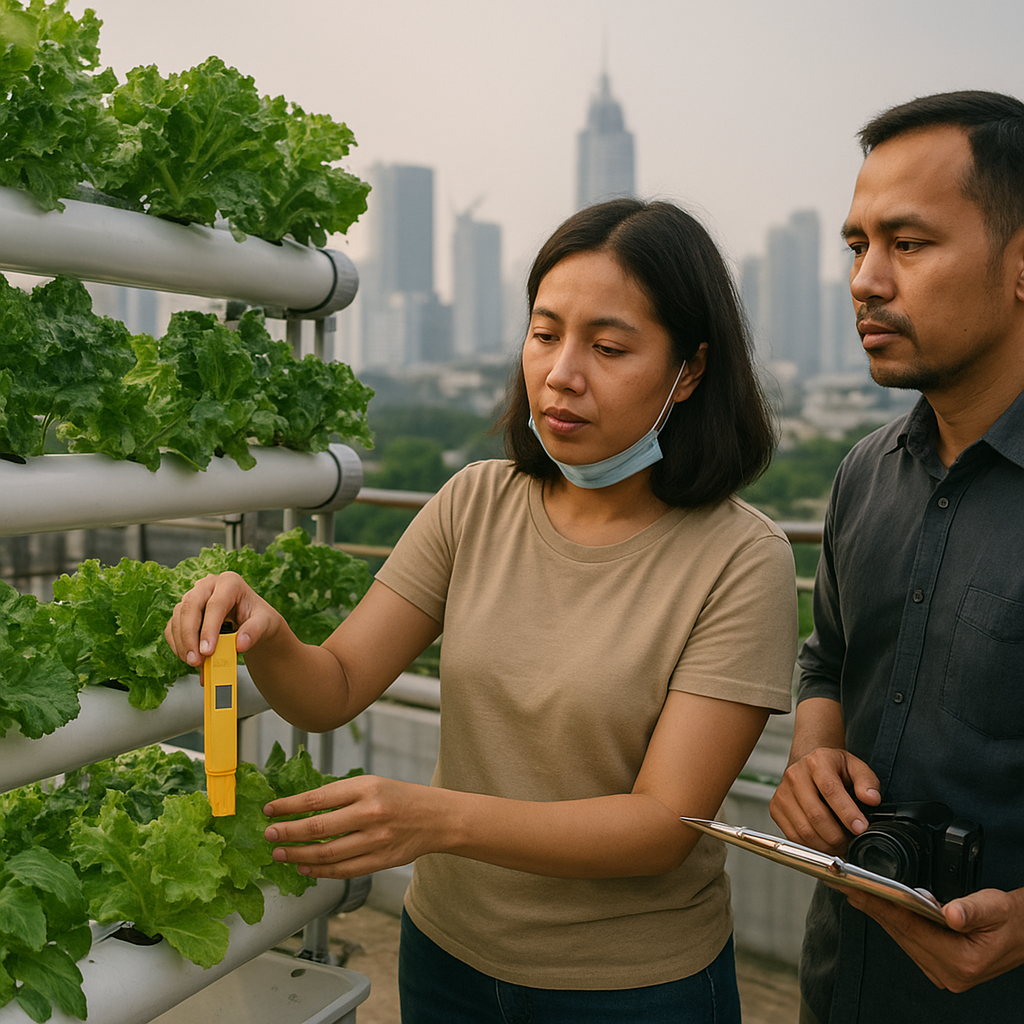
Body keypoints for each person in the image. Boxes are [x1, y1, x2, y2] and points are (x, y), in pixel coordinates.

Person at [166, 198, 798, 1023]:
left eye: (608, 347)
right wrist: (269, 633)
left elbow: (659, 826)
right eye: (545, 333)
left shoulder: (741, 559)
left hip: (630, 992)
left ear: (691, 370)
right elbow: (337, 683)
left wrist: (435, 819)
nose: (562, 372)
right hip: (446, 961)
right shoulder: (476, 500)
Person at [768, 91, 1024, 1023]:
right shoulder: (863, 475)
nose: (866, 281)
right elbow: (827, 658)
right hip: (845, 981)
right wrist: (813, 757)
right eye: (856, 245)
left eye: (908, 245)